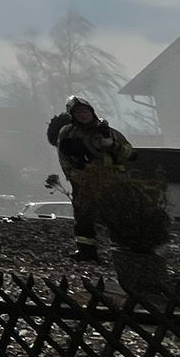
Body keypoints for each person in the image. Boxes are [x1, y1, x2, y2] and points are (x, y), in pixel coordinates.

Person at [54, 95, 132, 262]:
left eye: (85, 111)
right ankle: (86, 252)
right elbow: (63, 157)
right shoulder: (67, 133)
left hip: (111, 182)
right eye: (78, 112)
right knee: (83, 218)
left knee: (117, 218)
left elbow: (131, 154)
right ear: (73, 116)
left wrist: (112, 145)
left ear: (92, 112)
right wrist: (73, 176)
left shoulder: (109, 132)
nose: (83, 115)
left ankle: (124, 252)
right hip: (83, 182)